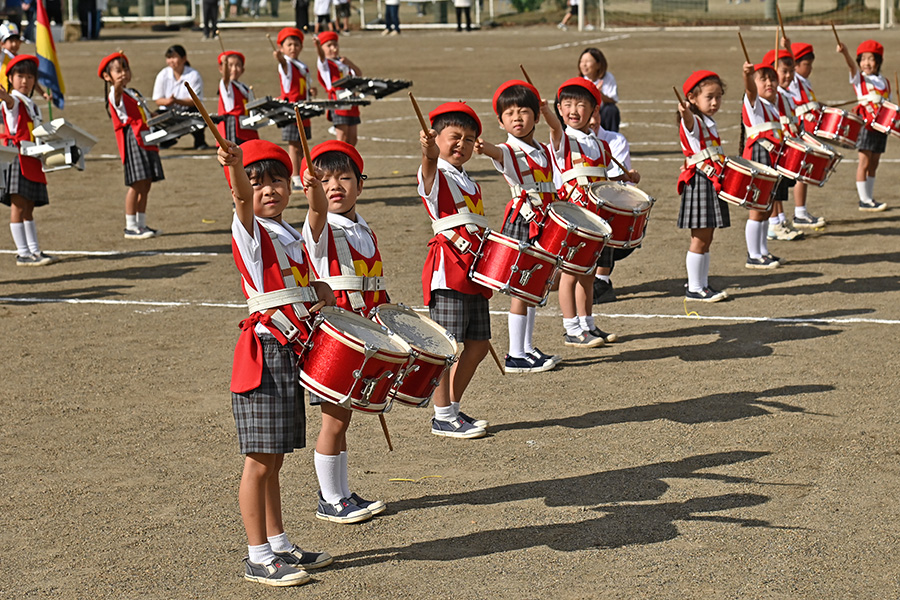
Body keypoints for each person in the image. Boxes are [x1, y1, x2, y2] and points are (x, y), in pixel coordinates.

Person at [218, 138, 335, 587]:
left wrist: (318, 290)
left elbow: (316, 218)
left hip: (290, 350)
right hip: (265, 353)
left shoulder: (288, 233)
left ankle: (279, 543)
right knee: (259, 463)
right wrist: (235, 167)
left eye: (277, 181)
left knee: (275, 461)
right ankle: (257, 556)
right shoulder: (250, 230)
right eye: (257, 183)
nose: (268, 190)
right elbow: (241, 199)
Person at [301, 140, 388, 522]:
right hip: (334, 339)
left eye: (344, 178)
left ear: (361, 184)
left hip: (363, 335)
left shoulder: (363, 226)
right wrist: (313, 197)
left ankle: (342, 493)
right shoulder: (320, 229)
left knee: (343, 420)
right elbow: (316, 212)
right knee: (333, 421)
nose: (334, 186)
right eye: (324, 180)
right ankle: (330, 499)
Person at [475, 80, 561, 373]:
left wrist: (548, 110)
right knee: (521, 289)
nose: (517, 118)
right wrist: (482, 147)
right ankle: (515, 354)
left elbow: (557, 131)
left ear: (536, 116)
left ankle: (527, 347)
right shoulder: (508, 150)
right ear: (500, 122)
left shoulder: (543, 149)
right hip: (524, 221)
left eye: (523, 111)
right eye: (509, 114)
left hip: (544, 220)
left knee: (533, 287)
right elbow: (497, 152)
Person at [418, 101, 491, 439]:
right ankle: (442, 416)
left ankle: (452, 407)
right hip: (449, 271)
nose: (462, 144)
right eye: (454, 136)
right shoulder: (436, 173)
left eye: (469, 139)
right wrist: (429, 154)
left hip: (475, 270)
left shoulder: (470, 181)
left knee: (478, 345)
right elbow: (429, 167)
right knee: (446, 348)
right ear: (436, 138)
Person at [552, 77, 636, 347]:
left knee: (588, 275)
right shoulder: (562, 139)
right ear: (559, 109)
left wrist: (627, 177)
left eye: (580, 105)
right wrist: (544, 111)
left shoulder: (601, 145)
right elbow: (554, 128)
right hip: (573, 216)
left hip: (595, 217)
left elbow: (604, 180)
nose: (573, 110)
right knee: (569, 275)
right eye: (567, 105)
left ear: (594, 111)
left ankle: (588, 325)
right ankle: (571, 329)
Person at [675, 70, 730, 302]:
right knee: (699, 238)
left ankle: (702, 284)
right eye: (709, 97)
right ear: (692, 98)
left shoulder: (708, 122)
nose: (715, 102)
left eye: (718, 96)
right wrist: (686, 112)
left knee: (707, 238)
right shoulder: (694, 121)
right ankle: (695, 288)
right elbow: (689, 123)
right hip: (699, 181)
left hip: (710, 181)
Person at [98, 52, 164, 240]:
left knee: (147, 183)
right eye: (118, 71)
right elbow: (117, 94)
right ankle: (130, 226)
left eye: (125, 69)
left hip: (147, 138)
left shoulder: (134, 92)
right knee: (136, 184)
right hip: (134, 140)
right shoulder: (114, 94)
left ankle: (141, 224)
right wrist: (117, 84)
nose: (123, 74)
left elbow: (148, 113)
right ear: (107, 76)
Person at [0, 55, 54, 266]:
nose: (25, 81)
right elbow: (10, 102)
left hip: (32, 157)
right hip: (18, 157)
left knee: (29, 206)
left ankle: (35, 250)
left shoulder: (32, 105)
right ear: (10, 78)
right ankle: (23, 253)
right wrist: (5, 96)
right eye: (20, 76)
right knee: (19, 205)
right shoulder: (13, 101)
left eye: (30, 77)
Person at [588, 106, 636, 304]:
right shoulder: (562, 144)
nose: (593, 120)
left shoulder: (615, 141)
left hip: (612, 212)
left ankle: (602, 280)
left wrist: (626, 176)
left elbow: (618, 186)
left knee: (605, 205)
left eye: (594, 112)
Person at [740, 58, 785, 269]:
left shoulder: (773, 106)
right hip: (759, 156)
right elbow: (750, 90)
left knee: (767, 207)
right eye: (763, 79)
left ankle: (763, 251)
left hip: (772, 157)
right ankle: (753, 255)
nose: (769, 83)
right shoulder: (755, 103)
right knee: (757, 208)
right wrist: (747, 75)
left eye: (772, 79)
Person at [838, 39, 889, 212]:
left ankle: (870, 197)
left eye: (871, 59)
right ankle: (864, 200)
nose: (866, 63)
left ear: (878, 61)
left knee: (874, 163)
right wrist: (845, 53)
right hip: (866, 126)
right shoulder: (860, 79)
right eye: (863, 59)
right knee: (864, 162)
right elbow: (851, 66)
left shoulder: (885, 82)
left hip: (880, 127)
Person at [764, 47, 804, 243]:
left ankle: (780, 219)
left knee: (780, 188)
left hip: (785, 145)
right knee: (774, 188)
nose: (788, 76)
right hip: (775, 146)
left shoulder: (785, 94)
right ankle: (774, 223)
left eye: (791, 71)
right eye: (783, 71)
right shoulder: (773, 95)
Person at [787, 41, 826, 229]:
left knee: (804, 172)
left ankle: (801, 211)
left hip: (808, 127)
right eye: (806, 64)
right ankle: (799, 213)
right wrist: (788, 49)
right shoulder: (794, 79)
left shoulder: (804, 82)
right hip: (801, 128)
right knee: (801, 172)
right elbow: (789, 66)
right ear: (795, 65)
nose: (810, 68)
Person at [274, 27, 316, 191]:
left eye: (296, 45)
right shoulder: (287, 64)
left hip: (303, 108)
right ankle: (295, 177)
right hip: (291, 109)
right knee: (294, 145)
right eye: (289, 45)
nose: (293, 48)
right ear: (281, 48)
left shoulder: (302, 66)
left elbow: (304, 85)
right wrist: (279, 58)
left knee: (301, 144)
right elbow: (283, 64)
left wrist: (311, 92)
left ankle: (301, 174)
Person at [151, 45, 209, 151]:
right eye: (169, 58)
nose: (171, 61)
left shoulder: (193, 75)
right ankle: (166, 140)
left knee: (199, 114)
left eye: (174, 57)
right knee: (154, 117)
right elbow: (158, 100)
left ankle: (199, 140)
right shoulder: (163, 74)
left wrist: (176, 101)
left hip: (188, 110)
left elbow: (194, 101)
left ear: (184, 58)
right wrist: (168, 102)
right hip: (168, 110)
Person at [315, 31, 362, 146]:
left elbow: (358, 74)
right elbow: (321, 56)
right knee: (342, 137)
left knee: (353, 139)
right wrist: (318, 46)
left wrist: (350, 63)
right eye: (329, 46)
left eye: (335, 45)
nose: (334, 48)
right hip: (338, 102)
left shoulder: (342, 62)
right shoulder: (325, 64)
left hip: (351, 101)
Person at [216, 50, 259, 146]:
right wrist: (224, 63)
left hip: (247, 126)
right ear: (221, 69)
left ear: (243, 69)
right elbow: (226, 78)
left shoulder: (244, 87)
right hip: (234, 126)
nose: (234, 69)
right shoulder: (226, 85)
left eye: (238, 65)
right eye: (230, 65)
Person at [578, 47, 620, 132]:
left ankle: (611, 136)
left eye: (588, 61)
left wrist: (598, 94)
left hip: (601, 112)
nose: (584, 64)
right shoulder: (579, 81)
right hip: (586, 113)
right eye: (581, 61)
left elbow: (613, 100)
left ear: (598, 64)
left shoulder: (608, 78)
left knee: (611, 110)